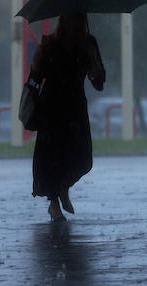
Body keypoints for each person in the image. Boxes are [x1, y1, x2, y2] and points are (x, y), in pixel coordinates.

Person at [30, 12, 105, 222]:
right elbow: (36, 76)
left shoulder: (89, 43)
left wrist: (93, 63)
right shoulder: (50, 44)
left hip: (75, 107)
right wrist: (38, 58)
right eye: (72, 19)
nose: (75, 23)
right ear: (64, 20)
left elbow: (99, 82)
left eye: (79, 19)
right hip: (51, 107)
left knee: (82, 158)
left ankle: (63, 186)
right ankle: (54, 202)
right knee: (52, 158)